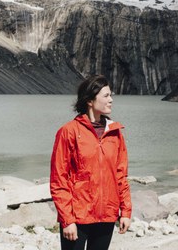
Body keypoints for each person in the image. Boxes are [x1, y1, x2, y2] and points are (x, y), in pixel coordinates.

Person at [50, 75, 132, 250]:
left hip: (107, 216)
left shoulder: (115, 133)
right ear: (89, 100)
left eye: (111, 95)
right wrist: (67, 220)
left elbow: (121, 175)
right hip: (78, 216)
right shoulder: (68, 132)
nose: (111, 100)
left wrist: (125, 211)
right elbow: (59, 179)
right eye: (106, 96)